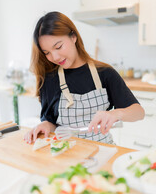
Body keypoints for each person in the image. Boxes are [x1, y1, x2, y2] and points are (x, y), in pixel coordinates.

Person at [24, 11, 145, 144]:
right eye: (47, 53)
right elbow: (51, 122)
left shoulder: (105, 73)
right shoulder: (50, 79)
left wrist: (115, 114)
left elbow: (138, 112)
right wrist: (45, 126)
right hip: (66, 153)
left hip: (103, 151)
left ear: (73, 36)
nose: (55, 57)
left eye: (58, 46)